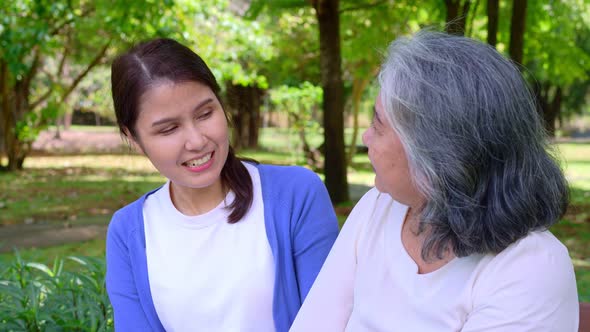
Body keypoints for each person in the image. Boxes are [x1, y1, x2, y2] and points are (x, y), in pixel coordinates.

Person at [290, 31, 579, 331]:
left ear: (435, 156)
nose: (366, 137)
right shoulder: (377, 207)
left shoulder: (531, 269)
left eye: (378, 123)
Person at [105, 38, 339, 332]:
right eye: (169, 129)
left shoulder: (296, 195)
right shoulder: (128, 232)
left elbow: (328, 319)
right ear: (133, 138)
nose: (197, 140)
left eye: (205, 114)